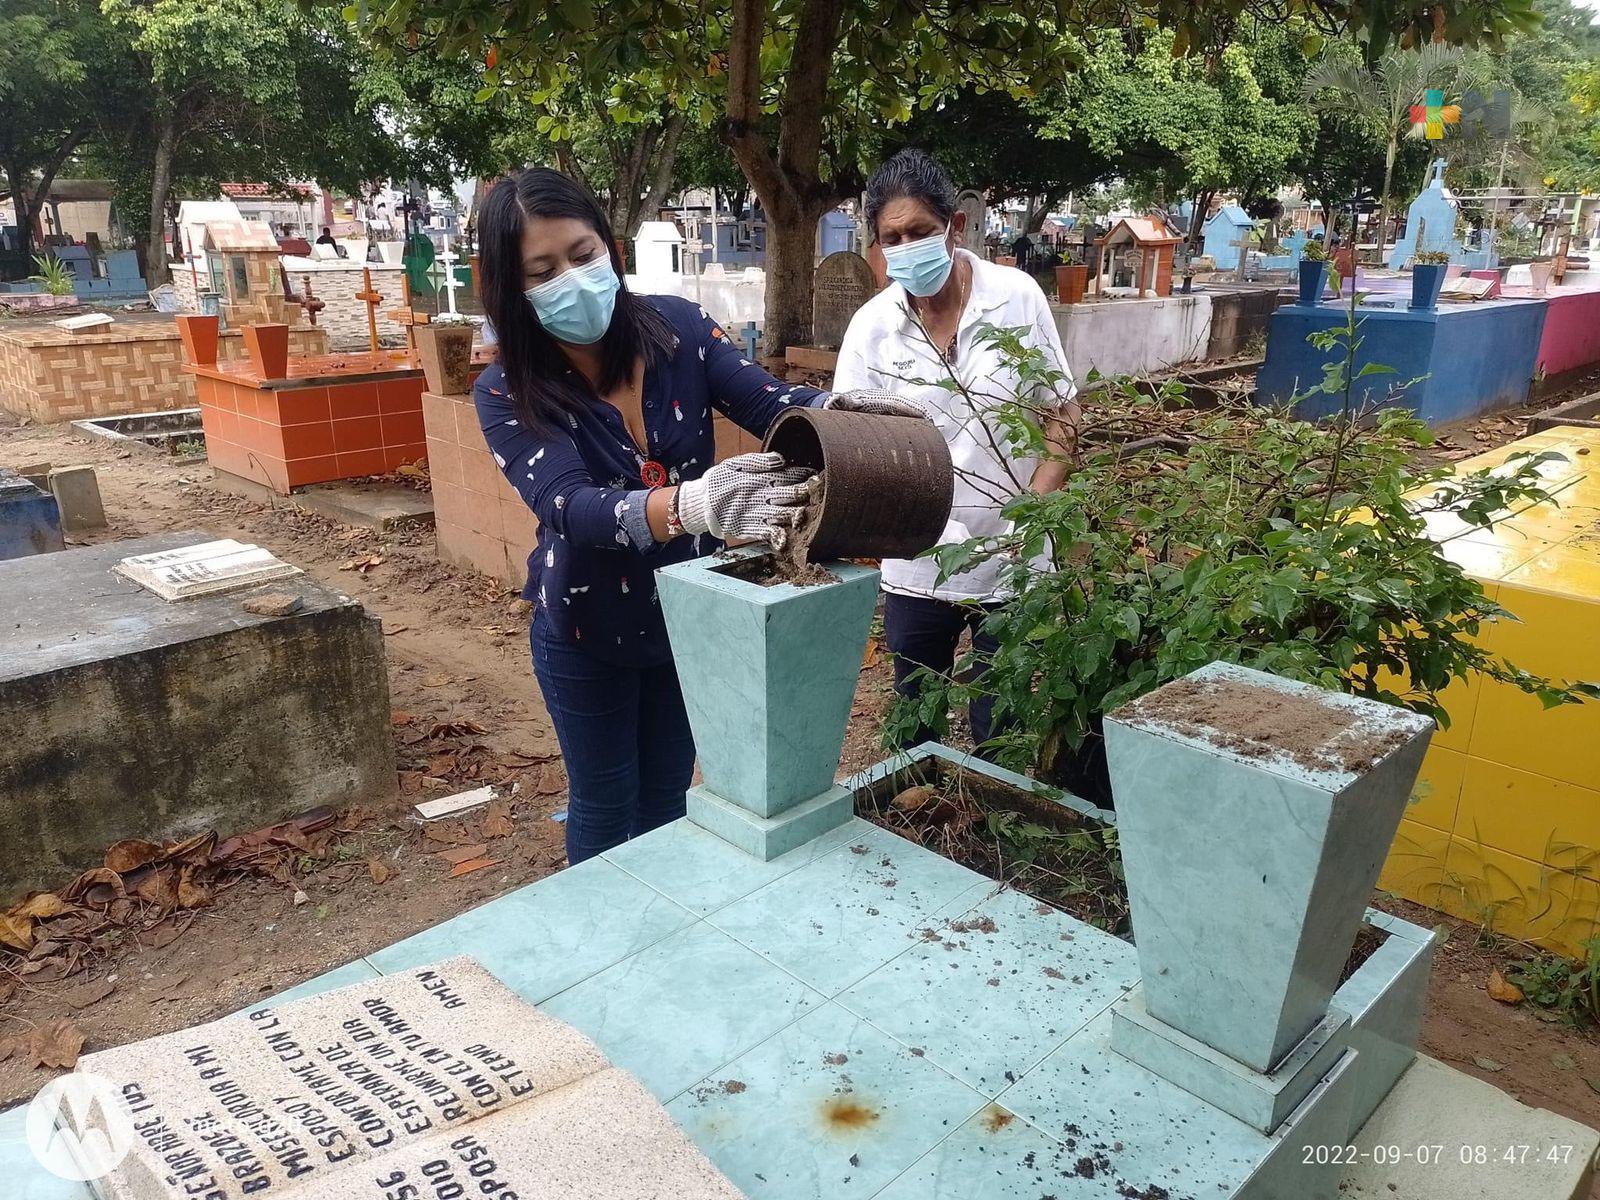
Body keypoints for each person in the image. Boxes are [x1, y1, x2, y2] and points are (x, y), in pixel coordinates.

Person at [475, 168, 921, 863]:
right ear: (513, 287)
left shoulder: (677, 330)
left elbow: (764, 401)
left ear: (611, 250)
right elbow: (570, 506)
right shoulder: (505, 390)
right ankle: (609, 925)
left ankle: (662, 919)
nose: (572, 279)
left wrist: (835, 415)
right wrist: (693, 505)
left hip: (688, 621)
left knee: (666, 798)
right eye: (543, 271)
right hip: (584, 631)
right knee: (604, 803)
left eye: (583, 255)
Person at [835, 148, 1079, 753]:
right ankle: (918, 810)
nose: (907, 247)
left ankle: (992, 810)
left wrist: (1032, 511)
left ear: (956, 227)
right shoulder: (871, 329)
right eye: (893, 238)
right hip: (918, 563)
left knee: (1002, 728)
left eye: (920, 231)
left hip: (1013, 559)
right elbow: (852, 447)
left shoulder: (1016, 298)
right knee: (915, 725)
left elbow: (1062, 416)